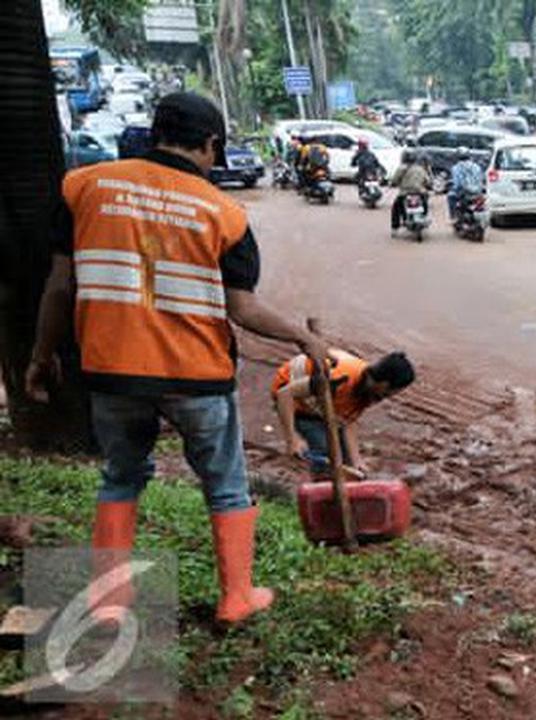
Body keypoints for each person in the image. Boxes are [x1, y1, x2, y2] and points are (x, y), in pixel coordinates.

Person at [25, 92, 328, 626]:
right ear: (211, 145)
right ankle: (236, 598)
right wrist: (303, 341)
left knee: (121, 475)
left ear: (156, 131)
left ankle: (109, 603)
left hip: (111, 371)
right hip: (198, 375)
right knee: (227, 484)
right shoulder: (224, 212)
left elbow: (59, 285)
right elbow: (243, 308)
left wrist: (41, 355)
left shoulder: (85, 187)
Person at [271, 350, 415, 476]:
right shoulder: (337, 378)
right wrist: (292, 439)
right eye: (389, 392)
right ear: (383, 383)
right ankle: (318, 485)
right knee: (325, 452)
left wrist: (356, 460)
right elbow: (284, 395)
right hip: (294, 399)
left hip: (324, 405)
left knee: (346, 462)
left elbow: (347, 421)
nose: (387, 397)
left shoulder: (369, 390)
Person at [388, 150, 430, 232]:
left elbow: (394, 180)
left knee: (396, 208)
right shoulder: (420, 169)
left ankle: (395, 227)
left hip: (405, 193)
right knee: (425, 203)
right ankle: (423, 216)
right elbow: (428, 181)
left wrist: (392, 184)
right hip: (420, 192)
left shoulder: (401, 168)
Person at [448, 147, 484, 220]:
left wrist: (453, 187)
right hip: (477, 192)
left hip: (464, 193)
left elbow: (457, 183)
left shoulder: (456, 168)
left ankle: (453, 216)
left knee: (450, 196)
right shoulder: (476, 167)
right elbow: (481, 179)